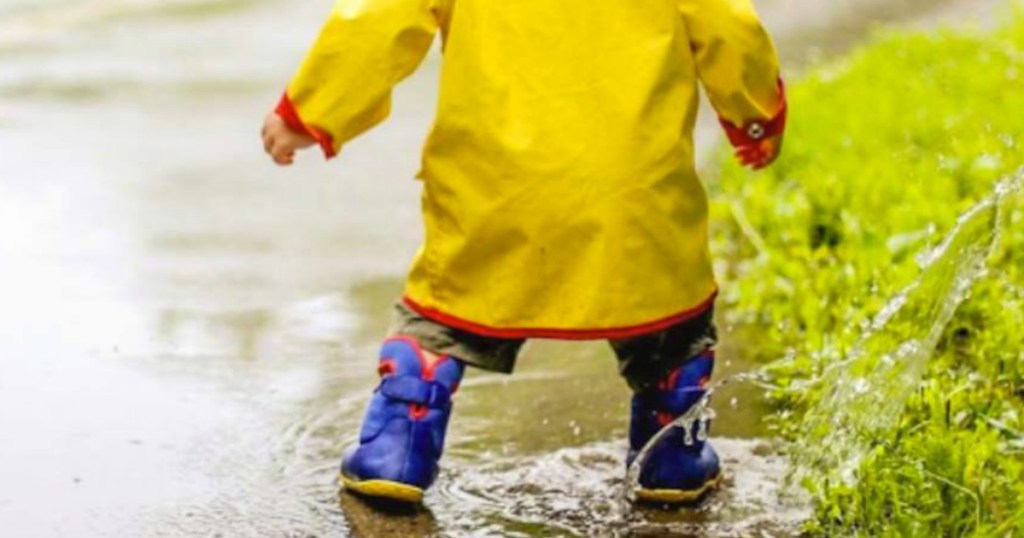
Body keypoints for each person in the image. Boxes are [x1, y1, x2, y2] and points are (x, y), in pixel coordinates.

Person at [261, 0, 785, 505]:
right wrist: (755, 115)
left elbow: (376, 22)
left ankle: (400, 438)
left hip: (494, 190)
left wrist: (310, 114)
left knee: (444, 312)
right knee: (669, 324)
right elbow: (727, 26)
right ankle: (671, 453)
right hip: (633, 192)